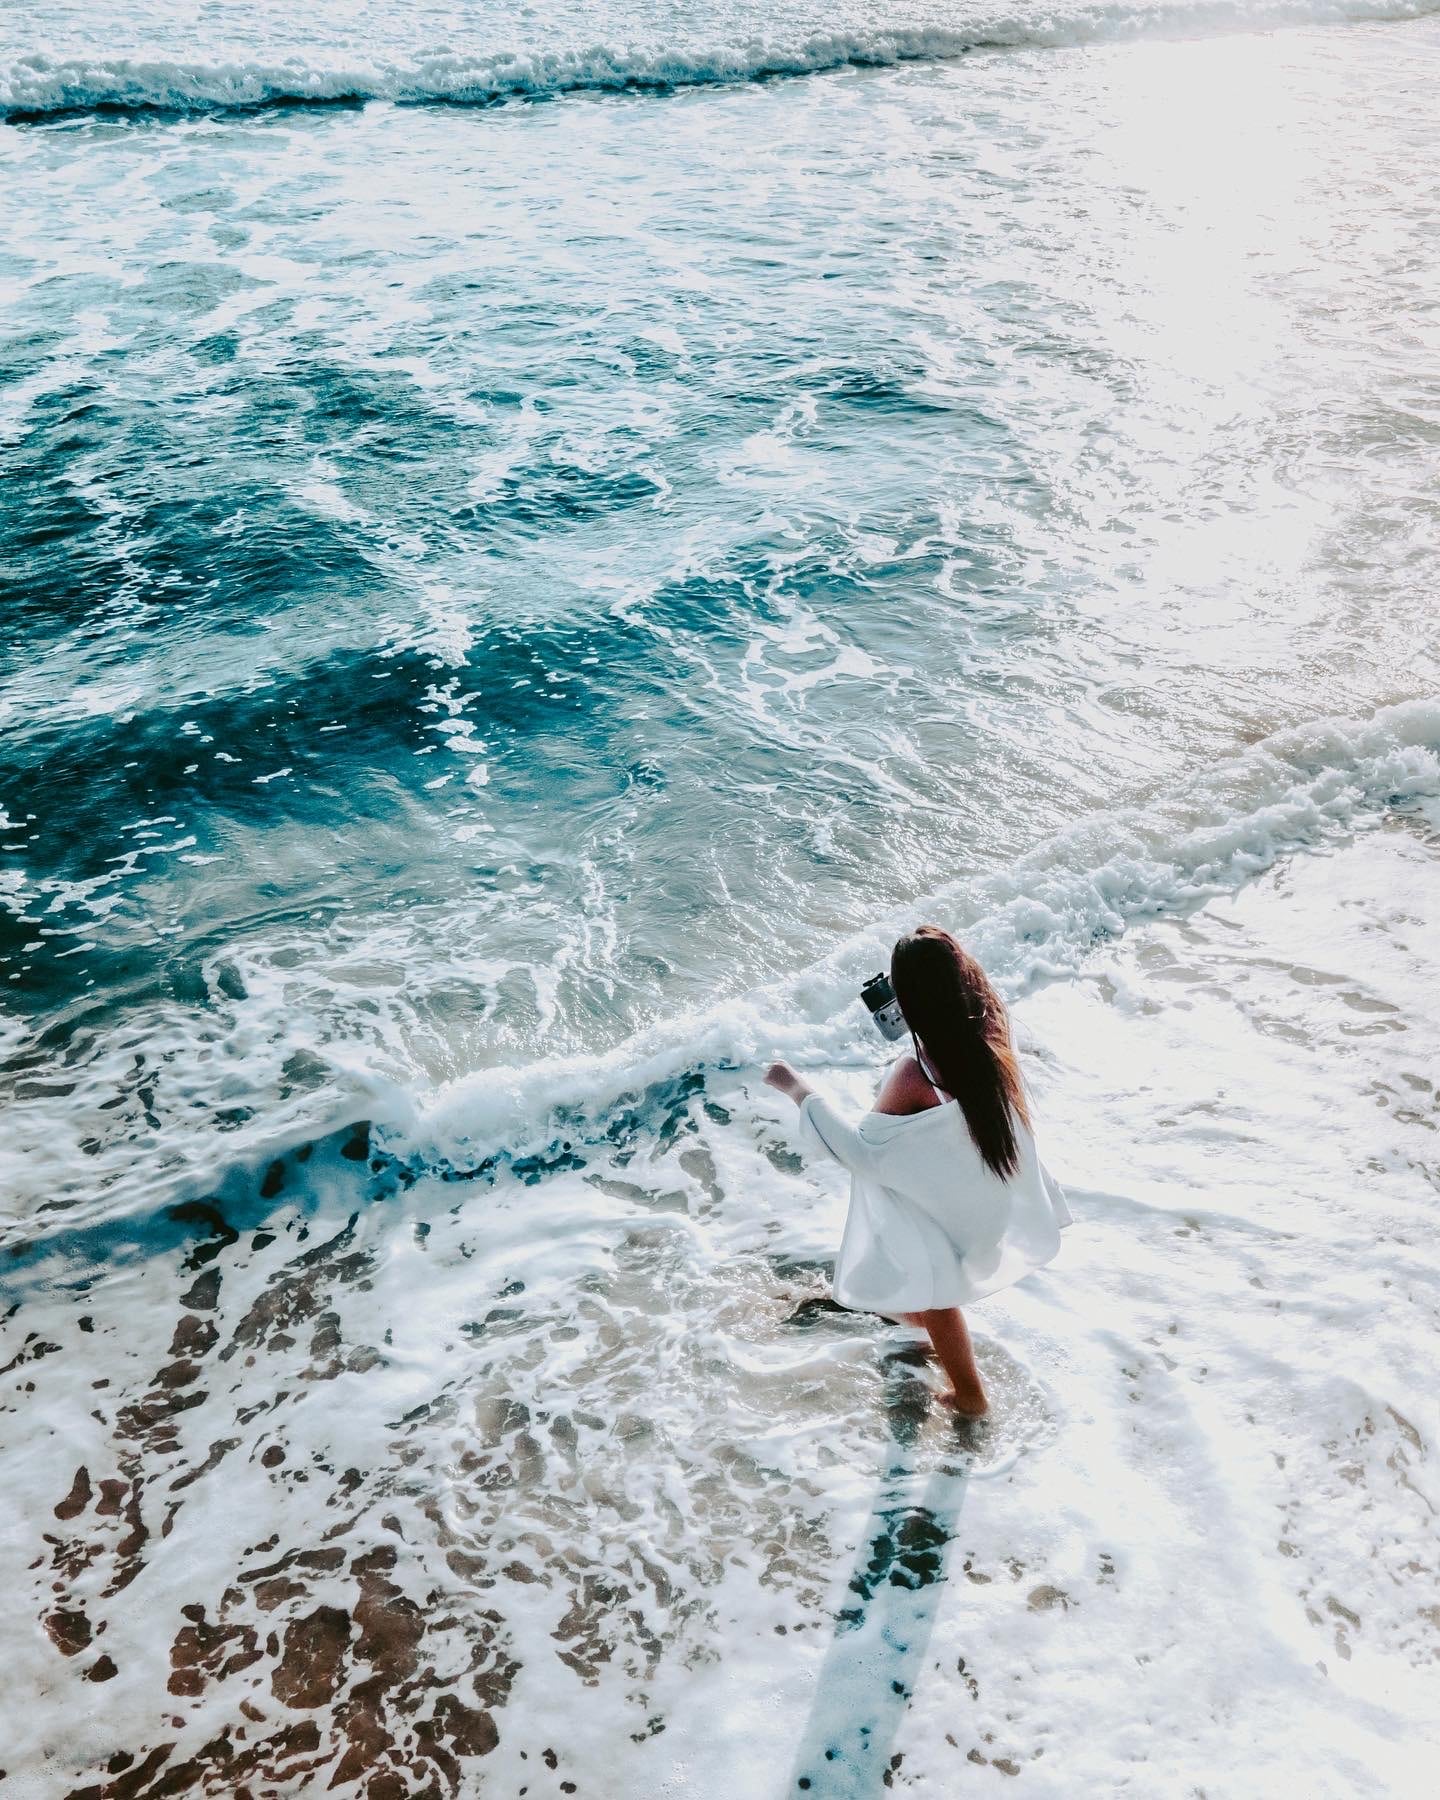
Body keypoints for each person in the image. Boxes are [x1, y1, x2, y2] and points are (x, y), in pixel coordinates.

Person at [765, 924, 1070, 1417]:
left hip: (961, 1229)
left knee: (931, 1285)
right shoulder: (991, 1034)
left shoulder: (914, 1072)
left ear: (908, 1002)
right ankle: (915, 1328)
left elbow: (864, 1155)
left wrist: (798, 1090)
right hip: (997, 1207)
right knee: (918, 1269)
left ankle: (969, 1396)